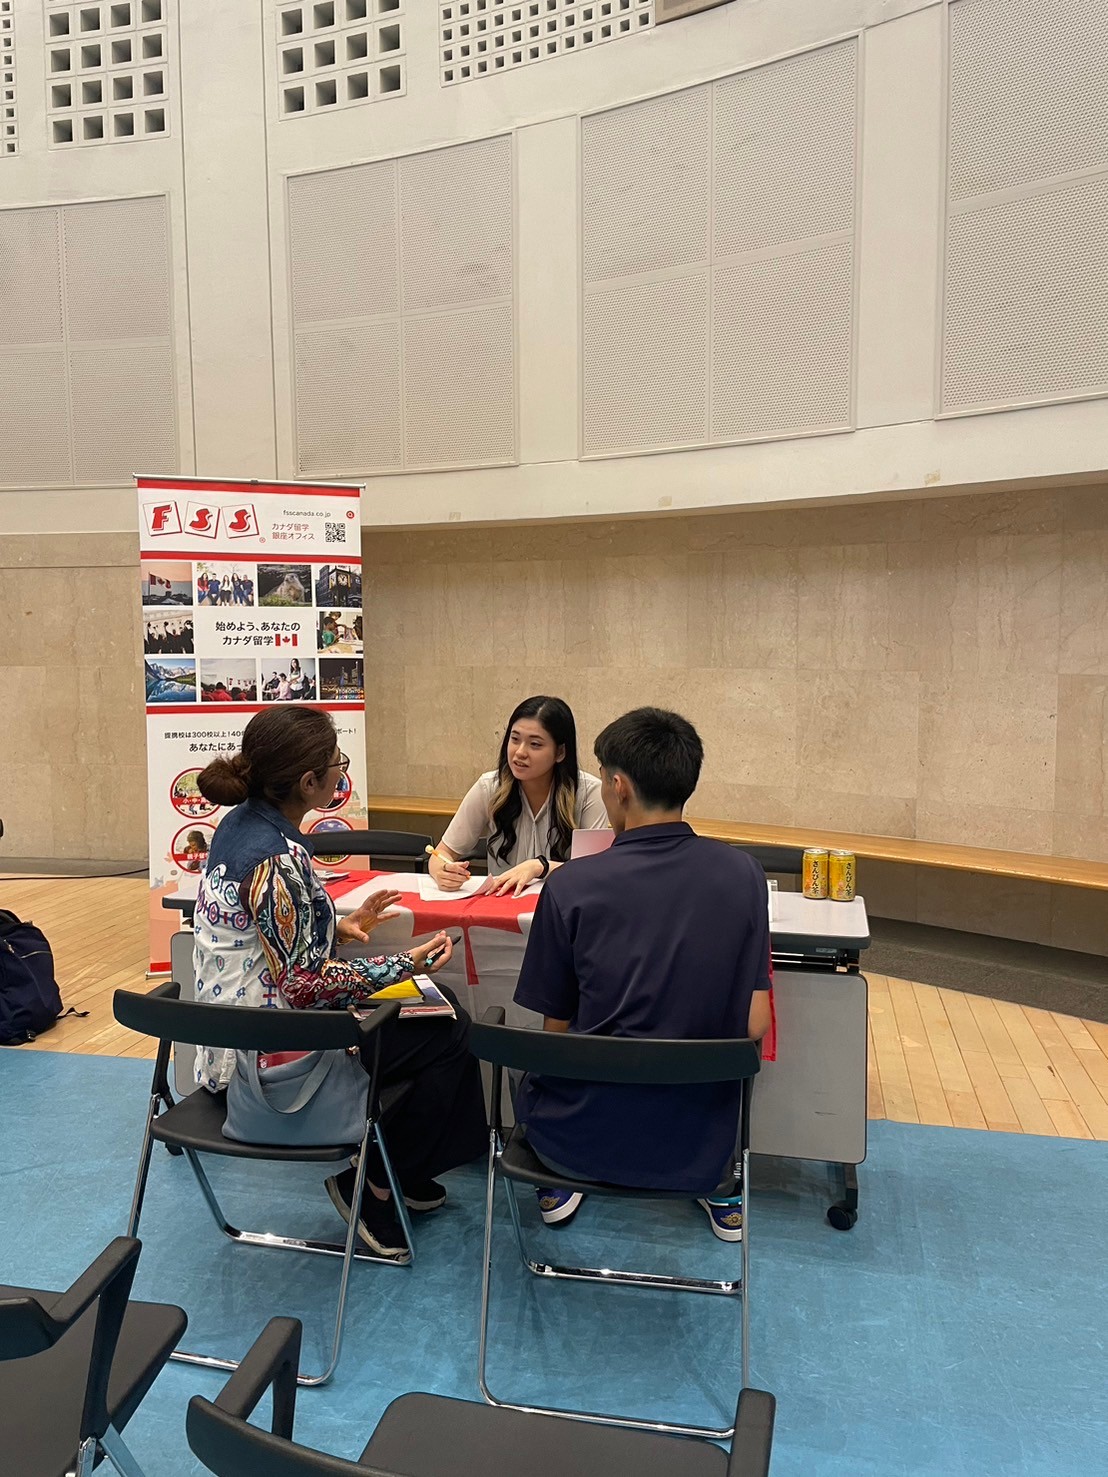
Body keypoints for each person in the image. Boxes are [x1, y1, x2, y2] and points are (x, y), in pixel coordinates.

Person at [192, 706, 487, 1261]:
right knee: (449, 1028)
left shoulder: (238, 826)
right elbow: (305, 985)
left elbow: (258, 941)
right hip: (277, 1057)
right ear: (309, 782)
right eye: (337, 763)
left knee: (440, 1013)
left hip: (231, 1037)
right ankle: (374, 1185)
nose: (340, 772)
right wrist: (405, 964)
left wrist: (335, 929)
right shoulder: (277, 859)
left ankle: (400, 1171)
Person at [512, 707, 772, 1242]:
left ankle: (561, 1186)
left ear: (619, 786)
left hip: (577, 1140)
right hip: (702, 1143)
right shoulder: (744, 875)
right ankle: (722, 1192)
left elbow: (555, 1036)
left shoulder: (570, 886)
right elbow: (755, 1024)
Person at [430, 696, 609, 899]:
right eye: (515, 739)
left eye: (535, 744)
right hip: (500, 906)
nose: (520, 752)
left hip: (563, 907)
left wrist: (540, 866)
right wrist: (442, 870)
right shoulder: (489, 787)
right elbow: (442, 853)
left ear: (560, 752)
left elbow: (594, 871)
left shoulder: (589, 793)